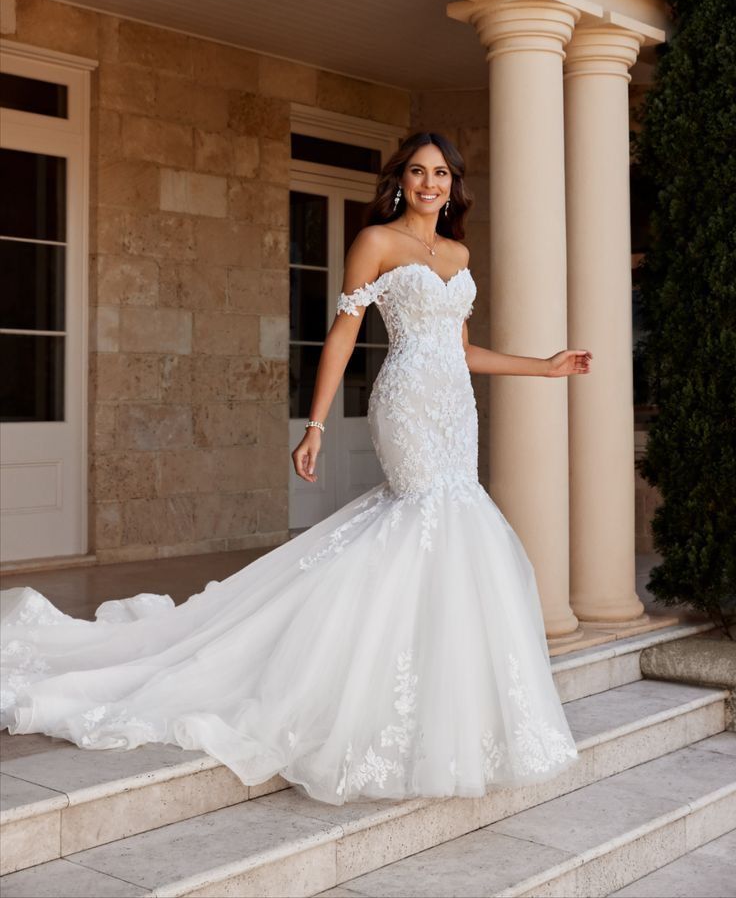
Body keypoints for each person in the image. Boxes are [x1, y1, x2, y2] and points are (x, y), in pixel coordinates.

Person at [0, 132, 591, 806]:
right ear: (400, 181)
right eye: (419, 172)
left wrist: (544, 367)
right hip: (404, 405)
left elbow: (461, 350)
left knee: (453, 526)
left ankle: (432, 694)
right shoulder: (375, 241)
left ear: (455, 185)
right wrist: (314, 423)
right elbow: (344, 334)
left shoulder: (456, 252)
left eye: (443, 174)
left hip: (455, 408)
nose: (432, 183)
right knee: (427, 515)